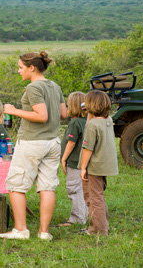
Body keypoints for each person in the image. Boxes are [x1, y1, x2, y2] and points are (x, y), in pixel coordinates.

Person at [0, 51, 67, 240]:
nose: (18, 71)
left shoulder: (33, 88)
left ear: (32, 68)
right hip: (53, 142)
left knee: (16, 185)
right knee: (47, 186)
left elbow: (41, 116)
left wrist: (13, 111)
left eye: (20, 67)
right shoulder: (54, 86)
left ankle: (21, 230)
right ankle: (44, 232)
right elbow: (64, 115)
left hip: (32, 142)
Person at [78, 90, 118, 236]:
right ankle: (97, 226)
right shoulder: (108, 121)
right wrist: (90, 112)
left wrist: (83, 168)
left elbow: (87, 148)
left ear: (90, 106)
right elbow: (92, 122)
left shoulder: (92, 125)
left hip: (93, 167)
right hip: (105, 165)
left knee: (94, 198)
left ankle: (99, 230)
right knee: (98, 196)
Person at [56, 91, 89, 227]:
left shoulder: (75, 122)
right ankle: (85, 214)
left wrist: (63, 159)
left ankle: (77, 218)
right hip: (85, 163)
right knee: (83, 189)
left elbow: (71, 142)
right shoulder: (88, 121)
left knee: (74, 188)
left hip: (75, 162)